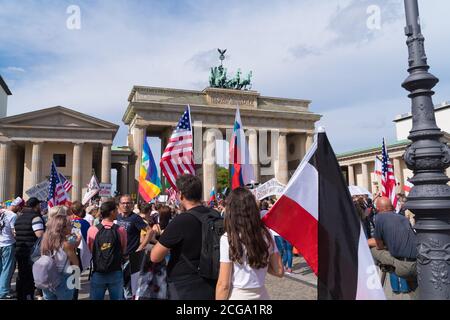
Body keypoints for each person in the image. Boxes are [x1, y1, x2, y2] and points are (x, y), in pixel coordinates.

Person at [151, 174, 218, 300]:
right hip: (213, 281)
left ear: (180, 195)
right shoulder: (216, 215)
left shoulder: (181, 220)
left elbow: (155, 256)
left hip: (184, 285)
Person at [216, 188, 283, 300]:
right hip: (262, 295)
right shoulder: (266, 234)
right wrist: (260, 261)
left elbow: (224, 285)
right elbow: (279, 271)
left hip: (238, 295)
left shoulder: (228, 238)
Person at [368, 197, 417, 287]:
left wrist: (364, 243)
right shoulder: (403, 218)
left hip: (402, 266)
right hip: (417, 264)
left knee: (372, 249)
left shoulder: (380, 217)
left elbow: (379, 245)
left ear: (378, 208)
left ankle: (388, 265)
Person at [87, 201, 127, 300]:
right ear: (112, 212)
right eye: (116, 210)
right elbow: (123, 248)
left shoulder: (92, 230)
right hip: (115, 271)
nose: (118, 212)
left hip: (98, 271)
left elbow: (91, 249)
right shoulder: (121, 230)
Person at [116, 195, 153, 299]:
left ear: (132, 205)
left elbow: (150, 231)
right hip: (118, 256)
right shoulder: (117, 217)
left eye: (128, 203)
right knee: (120, 282)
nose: (125, 205)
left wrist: (141, 246)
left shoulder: (135, 218)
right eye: (123, 203)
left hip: (131, 256)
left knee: (129, 284)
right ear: (119, 205)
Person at [40, 215, 81, 300]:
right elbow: (75, 264)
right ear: (62, 228)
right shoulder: (66, 244)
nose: (71, 227)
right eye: (69, 225)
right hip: (64, 278)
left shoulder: (45, 241)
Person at [14, 197, 45, 300]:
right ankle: (28, 296)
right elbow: (39, 234)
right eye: (39, 205)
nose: (40, 207)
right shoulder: (35, 217)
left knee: (21, 275)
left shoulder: (19, 217)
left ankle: (21, 295)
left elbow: (15, 233)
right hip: (31, 253)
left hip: (20, 251)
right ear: (36, 206)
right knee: (30, 277)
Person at [0, 197, 23, 299]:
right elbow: (14, 232)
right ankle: (3, 292)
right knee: (7, 269)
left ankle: (3, 289)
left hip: (0, 243)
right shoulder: (13, 216)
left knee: (1, 268)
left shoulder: (1, 211)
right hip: (8, 244)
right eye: (20, 208)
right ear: (17, 206)